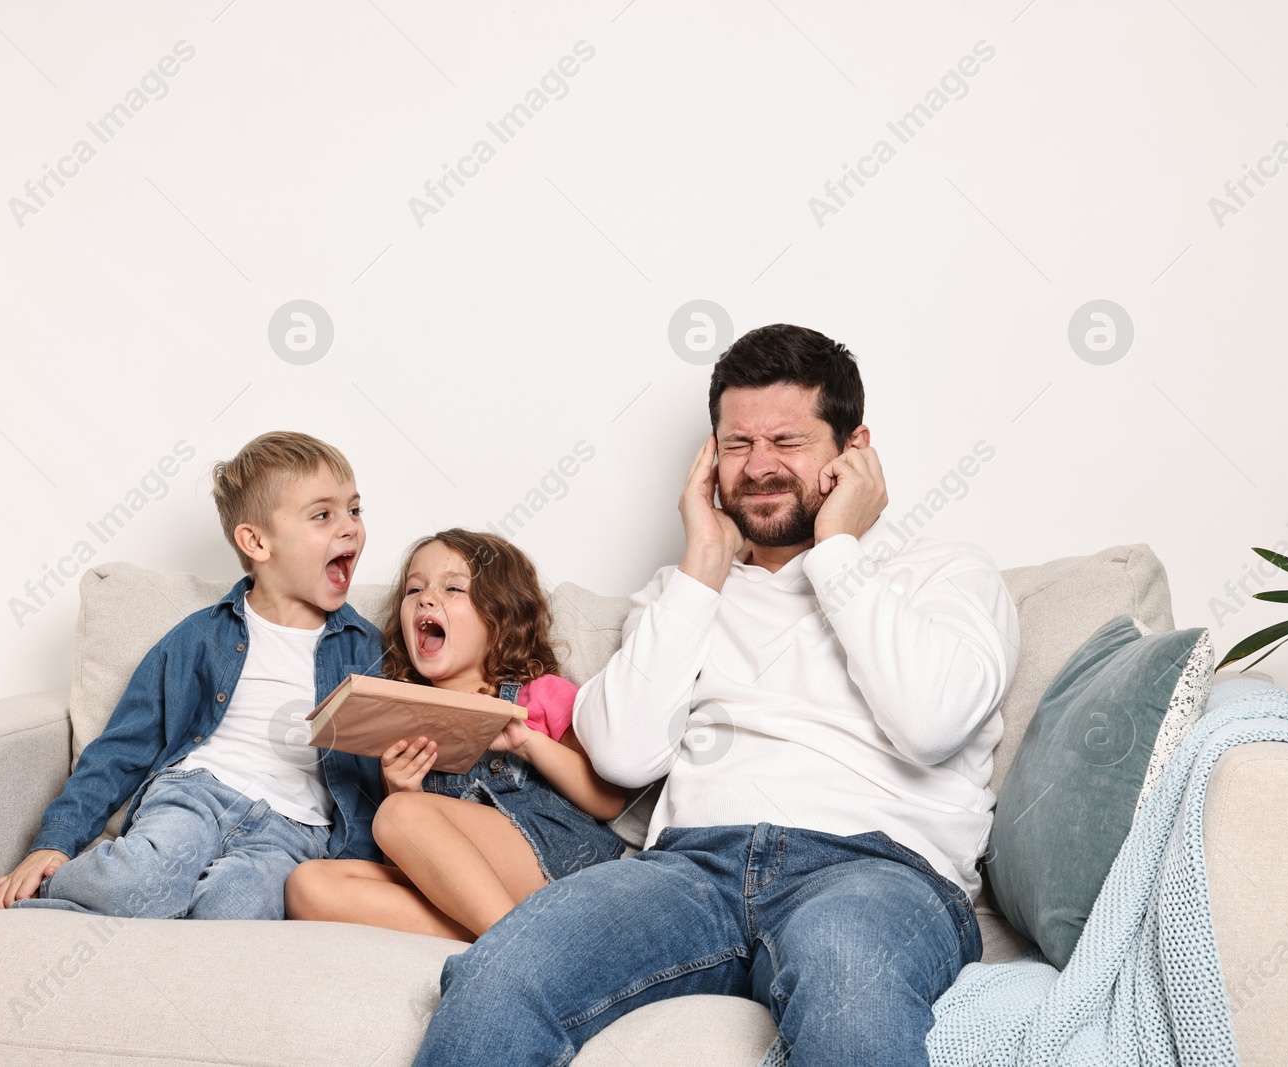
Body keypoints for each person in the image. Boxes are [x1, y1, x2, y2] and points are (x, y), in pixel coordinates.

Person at [411, 324, 1020, 1067]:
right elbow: (623, 753)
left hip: (876, 874)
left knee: (851, 995)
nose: (759, 468)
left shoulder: (943, 573)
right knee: (498, 976)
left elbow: (930, 722)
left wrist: (837, 553)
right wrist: (702, 563)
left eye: (787, 441)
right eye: (737, 445)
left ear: (855, 449)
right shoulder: (685, 593)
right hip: (690, 869)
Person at [0, 431, 386, 921]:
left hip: (292, 831)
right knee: (145, 879)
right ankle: (32, 898)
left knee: (234, 914)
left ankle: (172, 917)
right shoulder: (199, 638)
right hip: (196, 794)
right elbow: (121, 748)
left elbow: (385, 770)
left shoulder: (369, 652)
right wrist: (57, 842)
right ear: (256, 541)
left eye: (355, 510)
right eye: (323, 515)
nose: (350, 529)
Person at [286, 529, 628, 941]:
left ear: (500, 616)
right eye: (415, 589)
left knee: (398, 816)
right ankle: (501, 936)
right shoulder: (401, 718)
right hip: (478, 897)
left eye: (452, 588)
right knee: (307, 885)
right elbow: (423, 849)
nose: (426, 598)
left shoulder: (539, 693)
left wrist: (528, 744)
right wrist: (400, 788)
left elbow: (608, 801)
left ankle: (513, 947)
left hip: (558, 863)